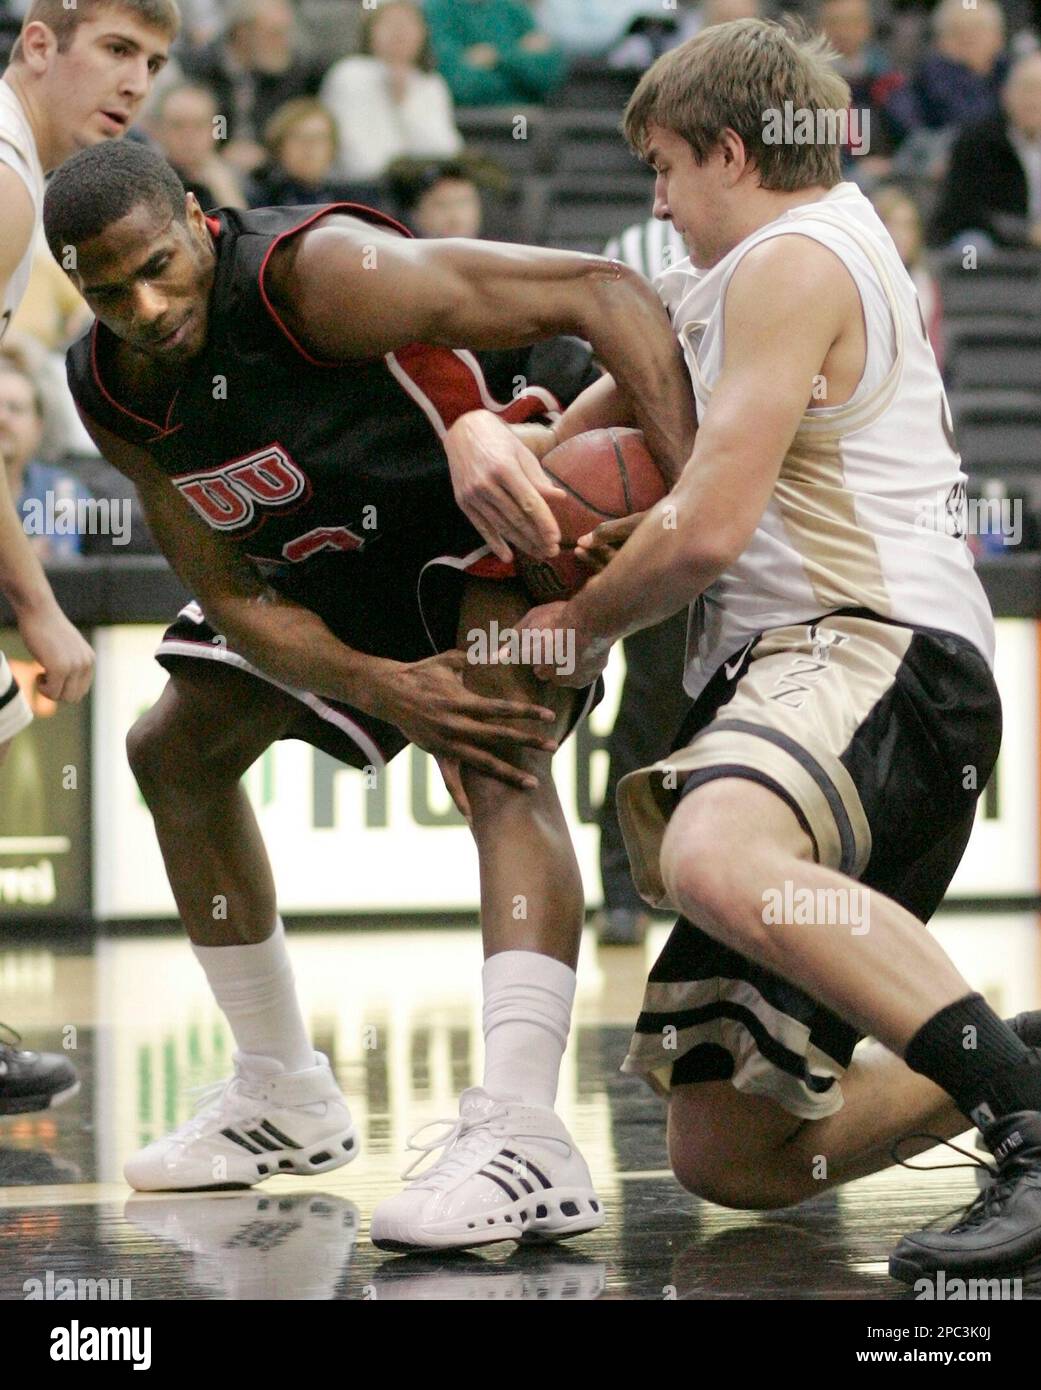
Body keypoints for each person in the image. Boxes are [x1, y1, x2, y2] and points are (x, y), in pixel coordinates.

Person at [464, 18, 1040, 1283]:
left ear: (733, 150)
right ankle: (1022, 1061)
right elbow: (603, 405)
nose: (657, 200)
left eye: (666, 168)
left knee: (714, 853)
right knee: (734, 1153)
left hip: (869, 650)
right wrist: (506, 443)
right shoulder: (740, 275)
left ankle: (1024, 1124)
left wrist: (570, 622)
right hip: (823, 675)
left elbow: (708, 527)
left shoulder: (795, 257)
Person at [43, 138, 697, 1250]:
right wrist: (389, 686)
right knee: (171, 751)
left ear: (198, 221)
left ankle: (527, 1131)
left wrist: (693, 492)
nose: (142, 307)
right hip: (331, 563)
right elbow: (234, 601)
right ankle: (279, 1090)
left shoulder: (319, 274)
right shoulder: (109, 385)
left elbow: (606, 289)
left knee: (496, 760)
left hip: (482, 523)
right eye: (106, 291)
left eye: (156, 266)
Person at [0, 0, 175, 1117]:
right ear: (36, 46)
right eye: (115, 49)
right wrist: (39, 604)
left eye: (153, 62)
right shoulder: (10, 182)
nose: (137, 82)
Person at [318, 0, 462, 185]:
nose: (400, 32)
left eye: (408, 23)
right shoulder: (350, 74)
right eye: (390, 23)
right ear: (370, 31)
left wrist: (404, 104)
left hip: (420, 189)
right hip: (364, 189)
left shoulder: (431, 84)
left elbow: (447, 151)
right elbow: (353, 156)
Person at [179, 0, 325, 177]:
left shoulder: (295, 72)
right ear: (243, 33)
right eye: (274, 34)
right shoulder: (200, 69)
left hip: (273, 173)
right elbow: (206, 122)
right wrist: (223, 146)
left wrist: (266, 153)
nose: (283, 43)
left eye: (286, 33)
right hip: (208, 167)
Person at [930, 51, 1041, 251]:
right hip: (991, 238)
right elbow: (963, 208)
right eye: (1026, 90)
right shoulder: (975, 141)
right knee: (972, 247)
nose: (1033, 100)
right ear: (1006, 94)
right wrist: (1025, 232)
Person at [0, 349, 94, 560]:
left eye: (15, 409)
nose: (2, 418)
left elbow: (63, 558)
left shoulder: (62, 490)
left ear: (38, 426)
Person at [424, 0, 567, 108]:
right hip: (470, 123)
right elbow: (461, 85)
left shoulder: (513, 8)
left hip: (524, 121)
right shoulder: (435, 11)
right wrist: (520, 56)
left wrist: (497, 56)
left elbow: (547, 74)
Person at [247, 98, 382, 211]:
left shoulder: (354, 202)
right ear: (280, 146)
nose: (309, 148)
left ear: (333, 149)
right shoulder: (258, 200)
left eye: (319, 138)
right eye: (298, 137)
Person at [871, 184, 943, 372]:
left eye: (908, 226)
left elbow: (933, 350)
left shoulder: (926, 285)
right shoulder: (862, 281)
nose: (901, 236)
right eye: (893, 225)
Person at [145, 80, 247, 211]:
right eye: (178, 125)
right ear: (159, 130)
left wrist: (227, 195)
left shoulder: (242, 183)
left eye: (199, 125)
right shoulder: (147, 181)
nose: (189, 135)